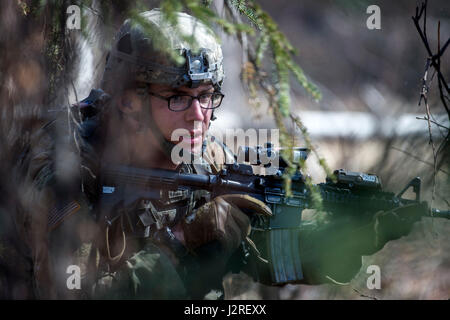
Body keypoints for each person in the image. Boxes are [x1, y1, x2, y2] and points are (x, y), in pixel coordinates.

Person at [13, 9, 426, 300]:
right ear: (127, 102)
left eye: (206, 96)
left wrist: (352, 237)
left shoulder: (204, 158)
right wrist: (184, 242)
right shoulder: (64, 163)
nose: (199, 116)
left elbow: (267, 259)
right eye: (177, 97)